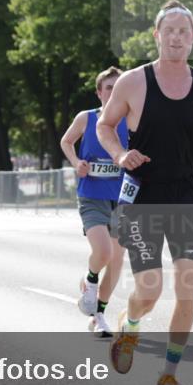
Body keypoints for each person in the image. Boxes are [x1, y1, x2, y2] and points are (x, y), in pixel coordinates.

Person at [97, 0, 193, 385]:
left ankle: (168, 375)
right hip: (143, 194)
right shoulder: (133, 82)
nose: (177, 37)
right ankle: (130, 324)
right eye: (170, 30)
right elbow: (104, 125)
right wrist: (119, 154)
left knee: (188, 287)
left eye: (184, 31)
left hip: (185, 194)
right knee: (149, 289)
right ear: (157, 35)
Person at [60, 67, 129, 336]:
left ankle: (98, 315)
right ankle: (90, 280)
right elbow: (67, 141)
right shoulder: (86, 118)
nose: (113, 92)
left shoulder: (132, 120)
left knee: (116, 262)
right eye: (109, 87)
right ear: (100, 92)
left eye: (118, 86)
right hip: (92, 195)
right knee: (103, 252)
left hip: (123, 197)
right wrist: (77, 162)